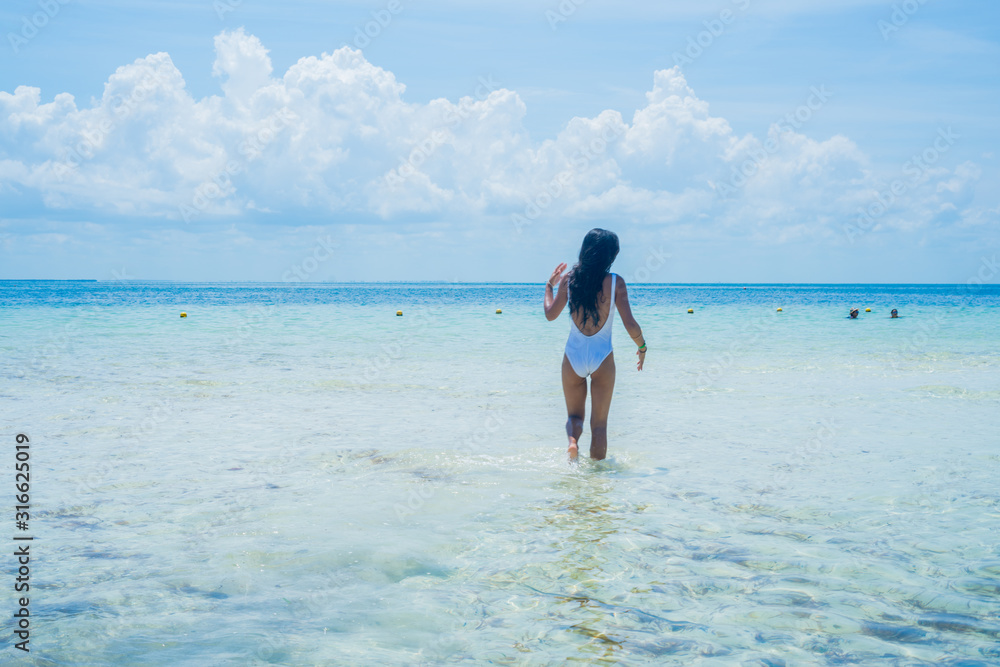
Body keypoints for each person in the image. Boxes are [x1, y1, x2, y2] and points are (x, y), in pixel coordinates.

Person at [543, 229, 646, 461]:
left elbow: (550, 315)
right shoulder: (615, 283)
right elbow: (630, 324)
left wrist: (549, 286)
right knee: (599, 425)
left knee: (574, 417)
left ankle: (572, 443)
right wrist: (642, 347)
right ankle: (597, 483)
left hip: (573, 356)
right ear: (608, 257)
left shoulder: (569, 279)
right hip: (602, 357)